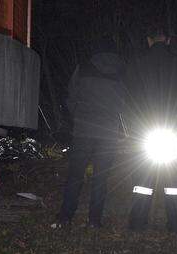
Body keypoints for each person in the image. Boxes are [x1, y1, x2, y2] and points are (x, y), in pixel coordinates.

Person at [125, 23, 177, 234]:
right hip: (176, 129)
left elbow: (128, 98)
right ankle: (175, 224)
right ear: (168, 40)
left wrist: (130, 126)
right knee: (174, 179)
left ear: (148, 40)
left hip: (144, 130)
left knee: (143, 180)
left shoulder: (136, 65)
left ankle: (138, 222)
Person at [53, 36, 127, 228]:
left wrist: (78, 115)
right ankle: (94, 220)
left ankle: (66, 216)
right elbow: (125, 103)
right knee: (101, 178)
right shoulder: (122, 71)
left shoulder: (84, 67)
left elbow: (71, 96)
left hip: (84, 129)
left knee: (75, 175)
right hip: (108, 132)